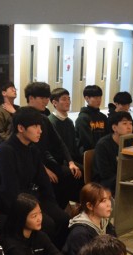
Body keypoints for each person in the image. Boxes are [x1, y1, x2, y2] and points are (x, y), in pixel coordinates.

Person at [0, 107, 69, 246]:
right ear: (21, 128)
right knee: (48, 224)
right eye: (35, 126)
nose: (40, 131)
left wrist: (52, 204)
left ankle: (55, 253)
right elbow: (8, 191)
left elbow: (44, 182)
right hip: (14, 205)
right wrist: (33, 209)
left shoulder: (32, 149)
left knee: (63, 218)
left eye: (40, 126)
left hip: (31, 199)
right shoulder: (6, 151)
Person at [24, 82, 83, 210]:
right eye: (42, 98)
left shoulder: (44, 118)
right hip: (32, 164)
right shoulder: (23, 118)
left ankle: (65, 207)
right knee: (60, 178)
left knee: (72, 172)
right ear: (31, 98)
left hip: (44, 160)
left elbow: (59, 142)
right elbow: (28, 150)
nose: (46, 101)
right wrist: (44, 169)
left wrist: (70, 162)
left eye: (47, 98)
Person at [93, 111, 133, 192]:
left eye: (130, 123)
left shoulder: (128, 141)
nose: (129, 127)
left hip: (121, 177)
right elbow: (105, 174)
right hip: (104, 181)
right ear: (114, 128)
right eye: (125, 123)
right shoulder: (103, 145)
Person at [75, 84, 108, 155]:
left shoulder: (103, 117)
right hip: (88, 154)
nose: (99, 100)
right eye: (95, 97)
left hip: (102, 152)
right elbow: (87, 142)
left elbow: (108, 136)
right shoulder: (82, 119)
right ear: (87, 98)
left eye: (100, 97)